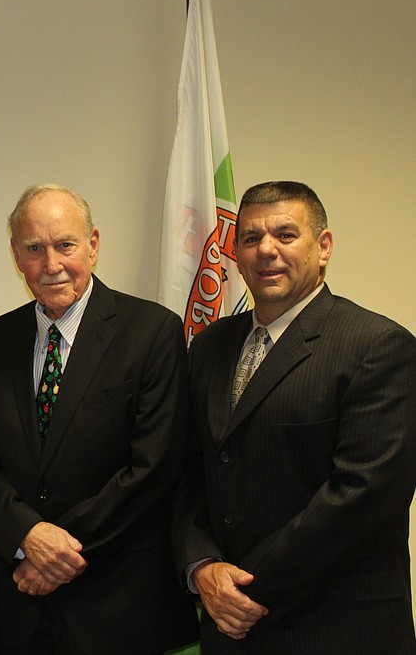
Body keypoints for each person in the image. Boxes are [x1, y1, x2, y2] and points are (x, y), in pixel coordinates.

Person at [173, 181, 416, 653]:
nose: (266, 250)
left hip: (334, 627)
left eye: (286, 235)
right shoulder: (209, 346)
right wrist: (201, 566)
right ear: (236, 253)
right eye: (250, 237)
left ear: (323, 247)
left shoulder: (377, 345)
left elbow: (363, 499)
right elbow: (187, 470)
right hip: (228, 628)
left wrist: (242, 587)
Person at [0, 184, 199, 654]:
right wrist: (26, 536)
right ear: (15, 255)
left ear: (92, 244)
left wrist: (55, 554)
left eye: (65, 244)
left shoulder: (151, 332)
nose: (51, 264)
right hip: (20, 614)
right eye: (34, 248)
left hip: (120, 607)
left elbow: (154, 468)